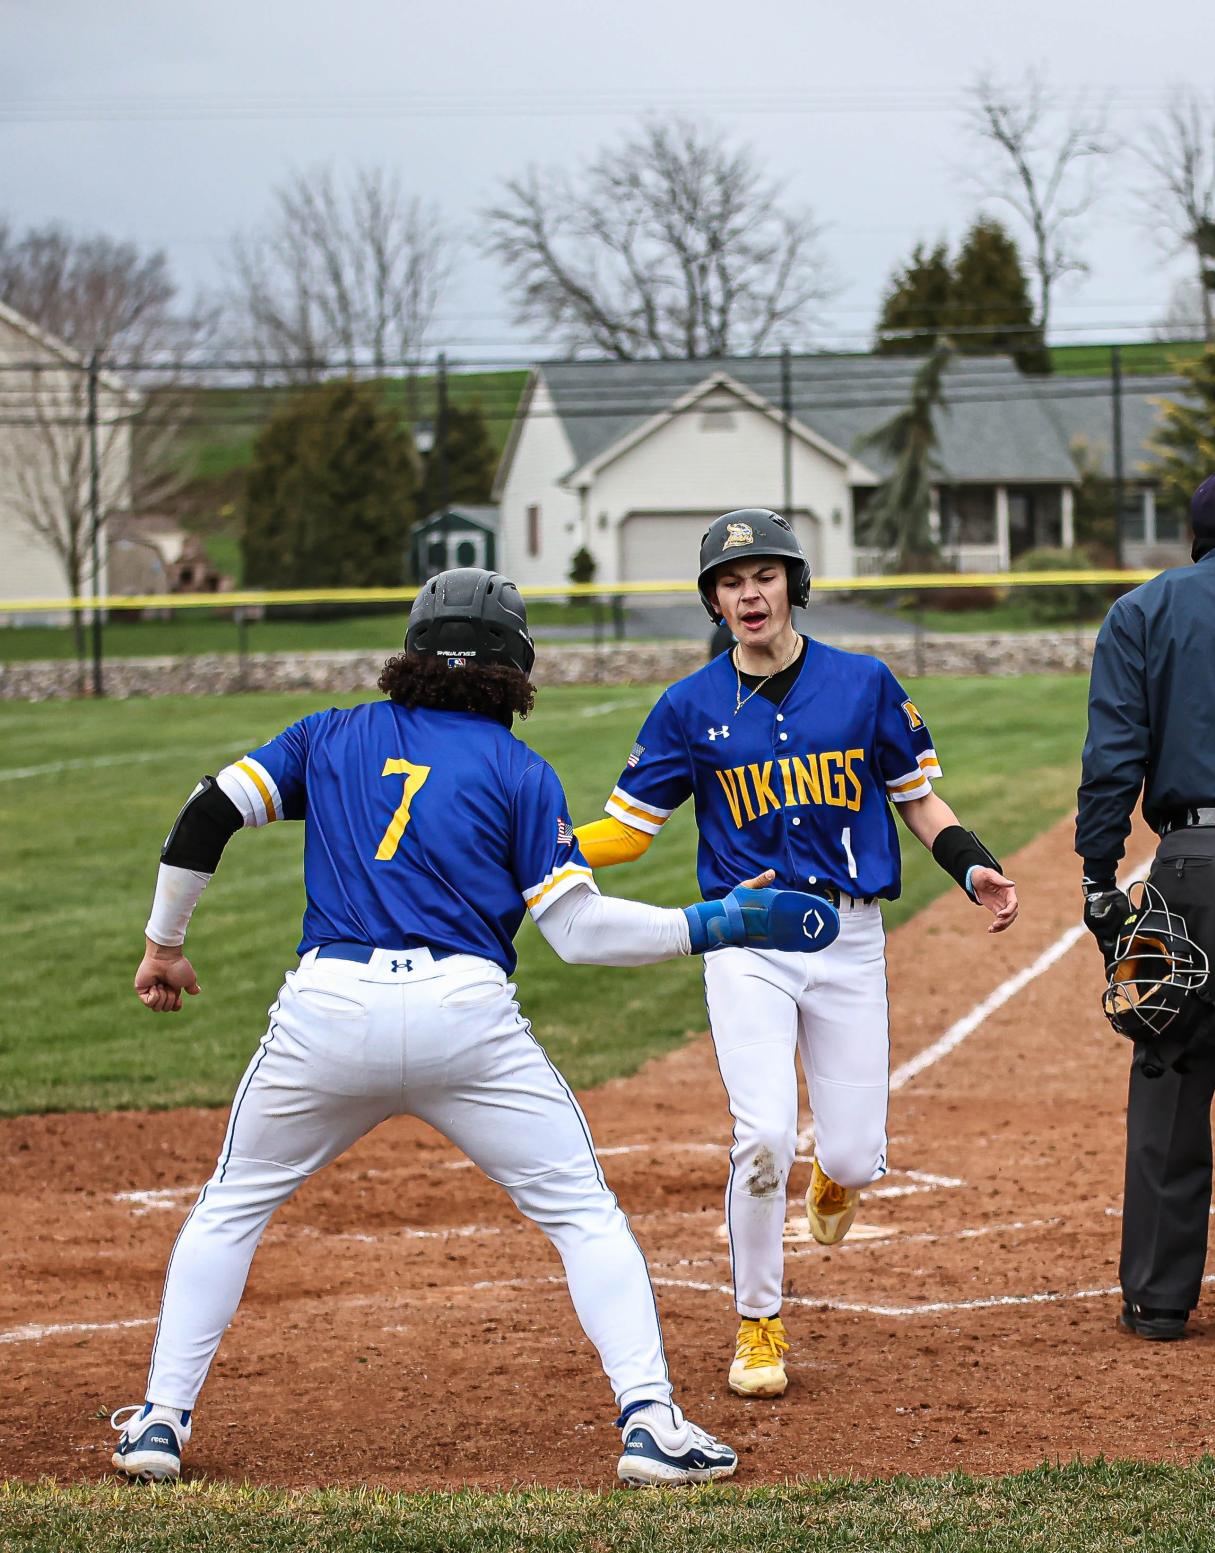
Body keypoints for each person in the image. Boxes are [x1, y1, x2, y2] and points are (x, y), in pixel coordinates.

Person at [110, 567, 838, 1487]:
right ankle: (650, 1419)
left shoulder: (329, 735)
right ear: (515, 669)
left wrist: (163, 945)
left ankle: (159, 1424)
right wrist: (715, 923)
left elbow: (209, 811)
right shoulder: (519, 771)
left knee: (231, 1206)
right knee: (582, 1213)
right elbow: (575, 933)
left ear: (411, 652)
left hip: (327, 1011)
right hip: (466, 1018)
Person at [575, 510, 1018, 1398]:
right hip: (747, 937)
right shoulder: (688, 707)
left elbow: (920, 802)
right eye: (730, 582)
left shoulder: (865, 685)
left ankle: (836, 1175)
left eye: (764, 576)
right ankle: (759, 1325)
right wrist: (528, 848)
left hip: (850, 939)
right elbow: (626, 835)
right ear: (713, 601)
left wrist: (974, 867)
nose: (749, 593)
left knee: (852, 1157)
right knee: (764, 1131)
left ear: (793, 586)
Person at [1077, 465, 1215, 1343]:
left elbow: (1113, 756)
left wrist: (1102, 880)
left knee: (1171, 1070)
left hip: (1197, 864)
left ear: (1196, 536)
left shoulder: (1145, 609)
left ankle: (1160, 1297)